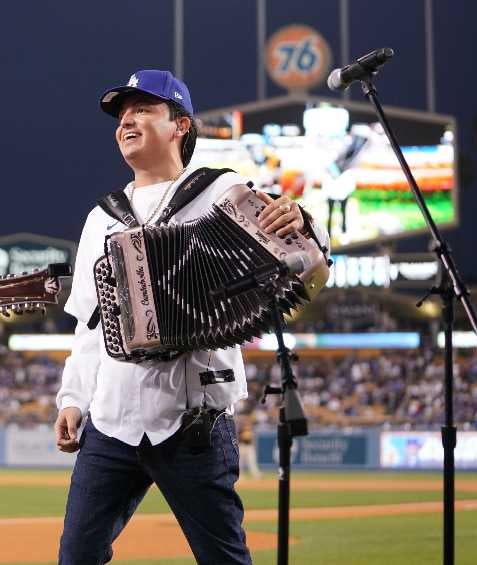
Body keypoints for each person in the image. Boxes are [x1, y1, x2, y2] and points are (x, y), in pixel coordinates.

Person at [53, 69, 328, 564]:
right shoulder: (102, 218)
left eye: (142, 110)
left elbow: (307, 264)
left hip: (193, 422)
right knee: (76, 557)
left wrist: (304, 222)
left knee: (223, 558)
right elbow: (90, 326)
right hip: (111, 422)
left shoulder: (221, 192)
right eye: (121, 114)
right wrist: (72, 399)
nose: (126, 121)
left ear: (181, 125)